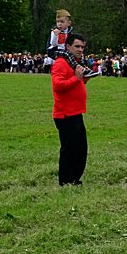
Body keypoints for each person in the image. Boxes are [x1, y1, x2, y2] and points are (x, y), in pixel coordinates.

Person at [52, 33, 90, 186]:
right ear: (68, 46)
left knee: (81, 149)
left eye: (82, 47)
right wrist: (77, 78)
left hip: (76, 112)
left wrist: (83, 80)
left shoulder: (74, 63)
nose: (80, 50)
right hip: (65, 114)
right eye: (77, 46)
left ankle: (74, 178)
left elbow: (75, 84)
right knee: (69, 149)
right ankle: (66, 181)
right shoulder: (61, 63)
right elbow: (58, 86)